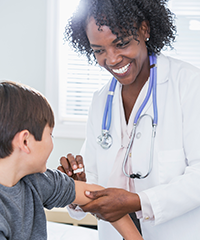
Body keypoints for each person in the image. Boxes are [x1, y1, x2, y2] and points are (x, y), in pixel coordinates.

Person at [58, 0, 200, 239]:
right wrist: (79, 185)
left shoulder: (188, 85)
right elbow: (94, 174)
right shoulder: (101, 100)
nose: (111, 60)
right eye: (99, 50)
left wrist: (137, 201)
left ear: (144, 29)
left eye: (121, 43)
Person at [0, 81, 143, 240]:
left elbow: (101, 197)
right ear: (25, 142)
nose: (52, 142)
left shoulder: (38, 181)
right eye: (50, 135)